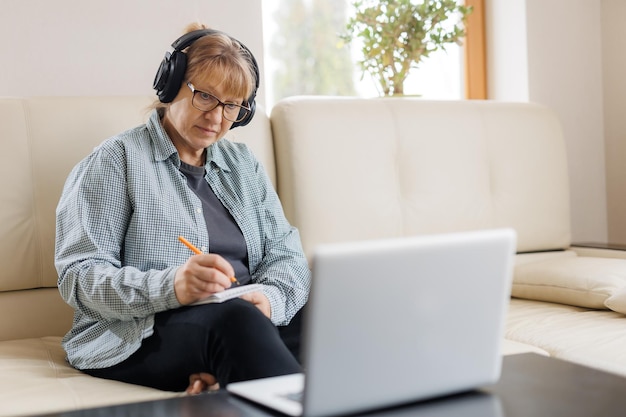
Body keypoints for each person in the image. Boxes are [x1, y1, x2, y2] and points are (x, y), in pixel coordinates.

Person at [54, 23, 310, 394]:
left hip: (238, 320)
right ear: (170, 86)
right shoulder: (115, 160)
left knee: (336, 311)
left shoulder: (243, 164)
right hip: (140, 332)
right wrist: (172, 286)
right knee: (235, 324)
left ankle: (222, 377)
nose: (217, 117)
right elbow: (79, 277)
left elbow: (286, 255)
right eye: (205, 96)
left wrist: (268, 300)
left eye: (232, 106)